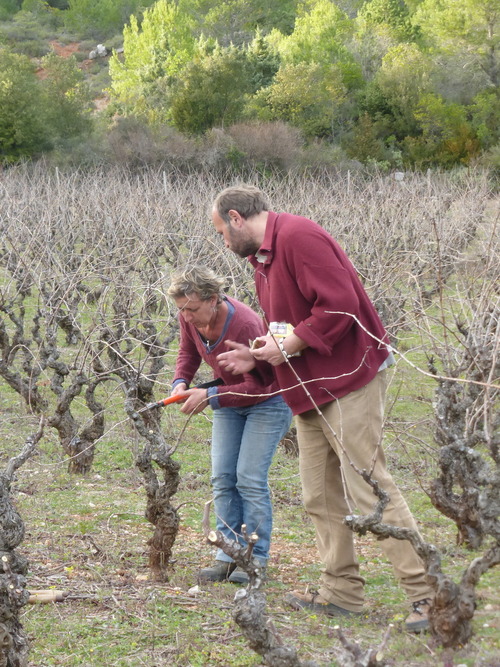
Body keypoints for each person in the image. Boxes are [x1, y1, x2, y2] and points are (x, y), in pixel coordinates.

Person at [212, 184, 434, 631]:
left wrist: (289, 343)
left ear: (236, 218)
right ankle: (342, 591)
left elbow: (340, 306)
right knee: (319, 493)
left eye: (220, 232)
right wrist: (257, 354)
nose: (222, 242)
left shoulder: (299, 236)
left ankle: (430, 595)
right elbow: (287, 326)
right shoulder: (262, 262)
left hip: (349, 378)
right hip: (311, 387)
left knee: (369, 486)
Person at [167, 264, 292, 584]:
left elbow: (261, 384)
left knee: (249, 478)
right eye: (182, 310)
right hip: (227, 398)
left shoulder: (245, 324)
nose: (187, 316)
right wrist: (181, 382)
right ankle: (227, 553)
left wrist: (211, 396)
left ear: (213, 299)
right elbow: (187, 352)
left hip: (268, 401)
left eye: (192, 309)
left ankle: (256, 557)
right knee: (223, 476)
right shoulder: (189, 317)